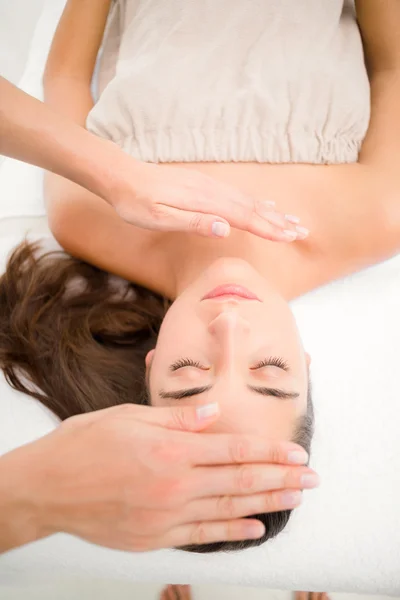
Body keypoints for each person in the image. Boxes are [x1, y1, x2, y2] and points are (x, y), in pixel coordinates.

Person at [0, 0, 399, 593]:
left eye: (189, 372)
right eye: (270, 369)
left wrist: (117, 176)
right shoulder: (380, 220)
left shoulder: (86, 219)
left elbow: (63, 77)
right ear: (307, 365)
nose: (230, 326)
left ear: (154, 360)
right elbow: (390, 65)